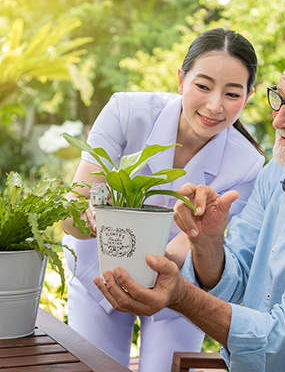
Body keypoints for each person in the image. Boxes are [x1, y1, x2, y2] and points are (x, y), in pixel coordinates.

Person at [93, 41, 285, 372]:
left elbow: (282, 348)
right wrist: (207, 241)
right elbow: (234, 282)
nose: (279, 120)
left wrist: (180, 295)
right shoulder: (279, 175)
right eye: (279, 100)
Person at [60, 27, 265, 370]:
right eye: (203, 86)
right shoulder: (127, 112)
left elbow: (187, 248)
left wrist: (161, 273)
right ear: (181, 80)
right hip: (97, 273)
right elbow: (71, 217)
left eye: (232, 94)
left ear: (248, 96)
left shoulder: (247, 165)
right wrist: (93, 216)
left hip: (174, 287)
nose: (215, 106)